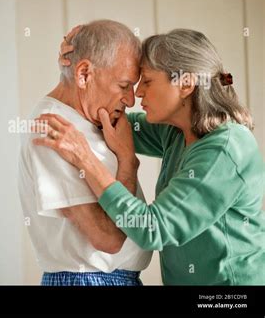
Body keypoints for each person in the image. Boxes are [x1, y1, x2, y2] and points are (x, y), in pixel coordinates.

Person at [33, 27, 265, 285]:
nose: (137, 94)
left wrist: (86, 160)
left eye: (148, 81)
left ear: (186, 84)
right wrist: (79, 63)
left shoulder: (225, 149)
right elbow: (106, 118)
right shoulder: (175, 132)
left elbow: (152, 228)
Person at [18, 20, 152, 286]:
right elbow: (109, 238)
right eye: (124, 85)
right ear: (84, 75)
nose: (130, 100)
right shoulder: (54, 127)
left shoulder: (94, 122)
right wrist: (127, 161)